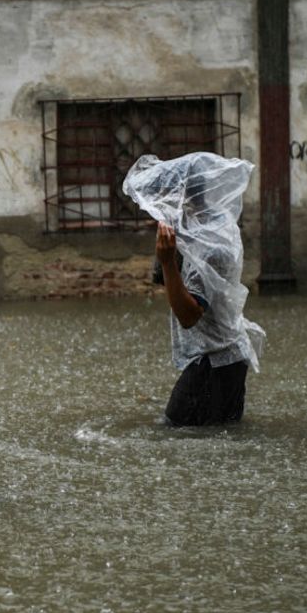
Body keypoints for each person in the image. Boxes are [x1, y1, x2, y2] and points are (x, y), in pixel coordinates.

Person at [122, 152, 265, 428]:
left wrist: (166, 261)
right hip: (224, 359)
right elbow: (164, 281)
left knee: (173, 431)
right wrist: (169, 251)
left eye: (168, 199)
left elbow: (189, 315)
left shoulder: (211, 245)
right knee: (214, 435)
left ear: (185, 198)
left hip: (216, 361)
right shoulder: (207, 226)